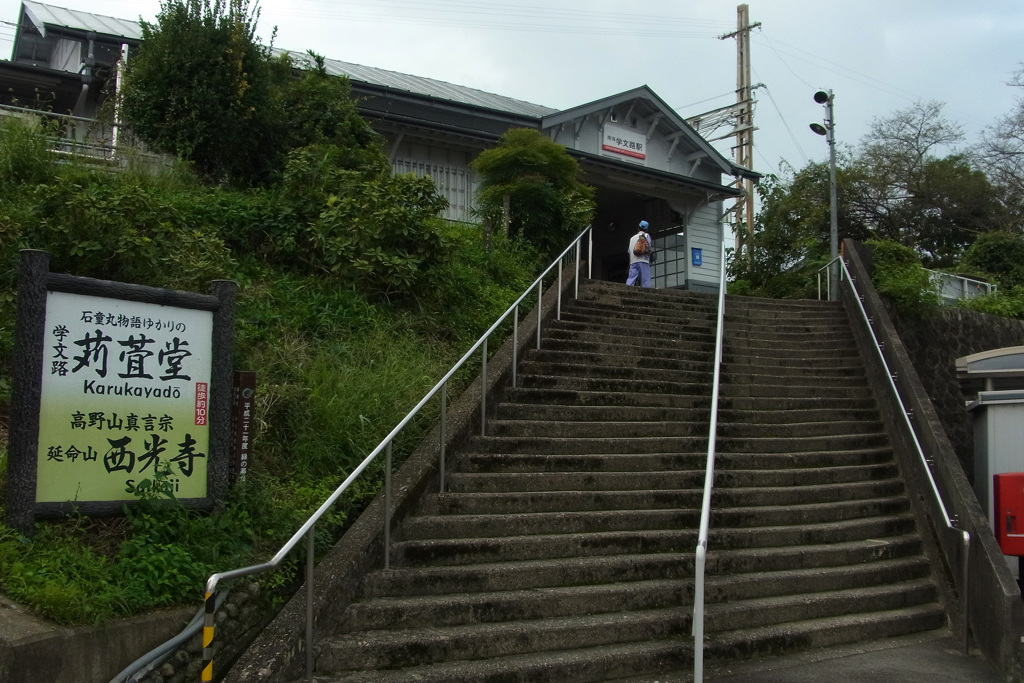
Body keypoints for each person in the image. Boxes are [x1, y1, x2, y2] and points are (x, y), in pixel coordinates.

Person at [626, 220, 654, 288]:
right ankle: (646, 291)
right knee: (645, 278)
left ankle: (627, 288)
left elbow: (629, 251)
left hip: (633, 261)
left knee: (631, 278)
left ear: (638, 228)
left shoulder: (632, 238)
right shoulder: (646, 235)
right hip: (643, 260)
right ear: (646, 229)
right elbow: (648, 248)